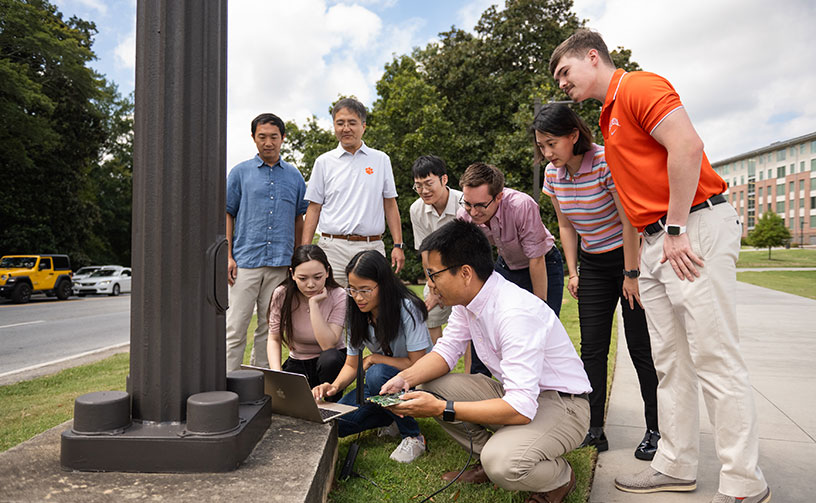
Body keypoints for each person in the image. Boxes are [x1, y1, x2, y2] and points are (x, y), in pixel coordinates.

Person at [549, 29, 769, 503]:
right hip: (656, 244)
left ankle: (743, 483)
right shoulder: (608, 116)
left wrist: (673, 229)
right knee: (670, 364)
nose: (562, 84)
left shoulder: (641, 87)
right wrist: (645, 255)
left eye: (565, 72)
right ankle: (676, 463)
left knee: (715, 359)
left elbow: (687, 147)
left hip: (689, 231)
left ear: (593, 57)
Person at [381, 219, 591, 503]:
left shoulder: (513, 313)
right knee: (426, 383)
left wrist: (443, 408)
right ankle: (488, 454)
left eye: (433, 275)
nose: (429, 287)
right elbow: (445, 351)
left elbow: (520, 409)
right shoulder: (469, 301)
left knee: (502, 464)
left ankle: (559, 476)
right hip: (519, 395)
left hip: (564, 405)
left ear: (465, 273)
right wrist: (404, 379)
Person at [534, 103, 660, 460]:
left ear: (573, 136)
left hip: (627, 256)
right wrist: (574, 272)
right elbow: (565, 225)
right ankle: (594, 428)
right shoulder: (553, 175)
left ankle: (655, 430)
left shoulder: (606, 162)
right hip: (591, 264)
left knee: (640, 347)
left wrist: (631, 274)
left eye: (552, 143)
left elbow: (629, 221)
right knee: (592, 350)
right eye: (541, 146)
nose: (547, 152)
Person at [311, 250, 432, 463]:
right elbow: (351, 364)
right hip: (381, 387)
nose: (358, 297)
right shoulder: (356, 313)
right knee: (338, 423)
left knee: (376, 373)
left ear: (383, 285)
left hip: (416, 382)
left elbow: (417, 364)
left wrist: (374, 359)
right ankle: (392, 416)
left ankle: (413, 436)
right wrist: (333, 387)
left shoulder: (407, 308)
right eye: (352, 290)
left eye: (365, 290)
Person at [457, 162, 564, 376]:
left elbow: (536, 258)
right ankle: (479, 391)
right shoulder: (465, 215)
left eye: (479, 205)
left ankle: (548, 393)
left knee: (541, 332)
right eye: (468, 203)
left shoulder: (522, 205)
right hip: (506, 265)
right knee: (484, 323)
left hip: (543, 263)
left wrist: (539, 306)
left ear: (498, 197)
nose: (473, 211)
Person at [225, 113, 307, 372]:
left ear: (283, 138)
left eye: (274, 137)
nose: (268, 142)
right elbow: (228, 213)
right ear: (253, 138)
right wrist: (227, 256)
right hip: (245, 262)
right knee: (235, 326)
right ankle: (226, 382)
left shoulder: (294, 176)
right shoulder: (239, 173)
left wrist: (298, 259)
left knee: (269, 328)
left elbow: (299, 218)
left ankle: (258, 383)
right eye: (262, 137)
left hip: (281, 263)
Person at [301, 98, 405, 285]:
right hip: (332, 248)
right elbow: (314, 207)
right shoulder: (323, 162)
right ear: (334, 126)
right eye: (340, 123)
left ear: (363, 126)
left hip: (371, 246)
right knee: (331, 306)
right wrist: (305, 250)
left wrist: (398, 245)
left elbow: (390, 204)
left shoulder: (380, 160)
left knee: (372, 306)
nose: (346, 128)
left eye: (352, 123)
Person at [267, 245, 346, 399]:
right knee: (289, 404)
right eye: (303, 278)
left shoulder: (338, 295)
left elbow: (328, 345)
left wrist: (314, 304)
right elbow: (274, 338)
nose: (310, 284)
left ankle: (333, 404)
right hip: (298, 361)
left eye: (317, 277)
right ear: (293, 274)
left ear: (327, 272)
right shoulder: (281, 294)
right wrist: (278, 374)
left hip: (329, 362)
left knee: (330, 358)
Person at [408, 155, 463, 345]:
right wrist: (433, 289)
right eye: (418, 185)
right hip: (438, 273)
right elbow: (426, 253)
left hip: (466, 270)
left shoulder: (463, 203)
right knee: (429, 311)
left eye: (428, 183)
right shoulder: (416, 209)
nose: (423, 190)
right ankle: (439, 370)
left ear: (444, 179)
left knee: (468, 320)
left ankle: (470, 373)